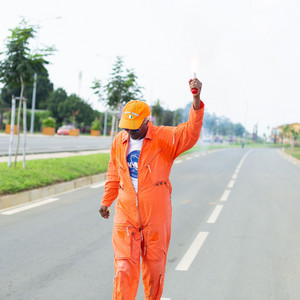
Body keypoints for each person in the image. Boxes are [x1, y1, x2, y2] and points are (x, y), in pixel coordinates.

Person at [99, 77, 204, 300]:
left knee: (154, 270)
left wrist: (195, 100)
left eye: (134, 127)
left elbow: (190, 133)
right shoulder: (120, 141)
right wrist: (106, 201)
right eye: (126, 127)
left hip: (156, 215)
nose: (130, 132)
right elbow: (114, 173)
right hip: (126, 213)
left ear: (148, 121)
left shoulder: (163, 138)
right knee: (124, 269)